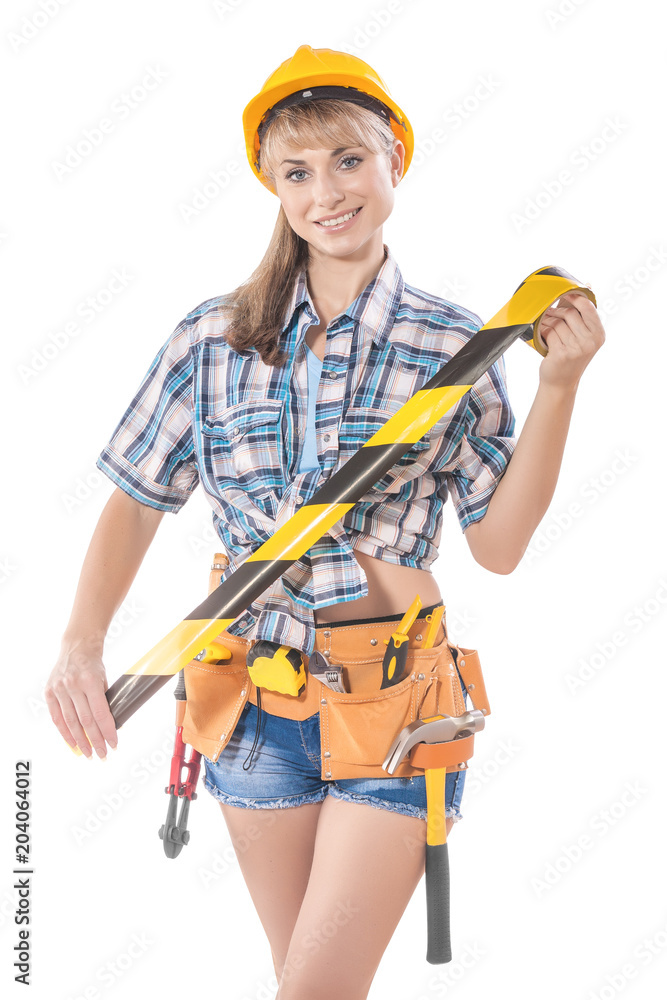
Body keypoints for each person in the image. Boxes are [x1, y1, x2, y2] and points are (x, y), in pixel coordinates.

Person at [44, 44, 605, 999]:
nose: (326, 193)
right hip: (253, 701)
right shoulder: (212, 337)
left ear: (394, 154)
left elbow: (500, 548)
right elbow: (137, 498)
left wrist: (557, 385)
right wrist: (79, 645)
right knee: (301, 985)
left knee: (315, 991)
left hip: (396, 701)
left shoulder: (454, 343)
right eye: (296, 173)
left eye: (348, 159)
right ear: (272, 185)